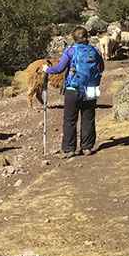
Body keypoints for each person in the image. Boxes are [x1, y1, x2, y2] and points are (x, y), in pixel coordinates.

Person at [44, 26, 105, 159]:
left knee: (70, 120)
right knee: (88, 118)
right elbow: (101, 67)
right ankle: (87, 147)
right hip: (91, 89)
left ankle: (69, 149)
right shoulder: (95, 51)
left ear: (74, 38)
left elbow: (59, 68)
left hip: (73, 89)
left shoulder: (70, 51)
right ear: (87, 37)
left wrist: (46, 69)